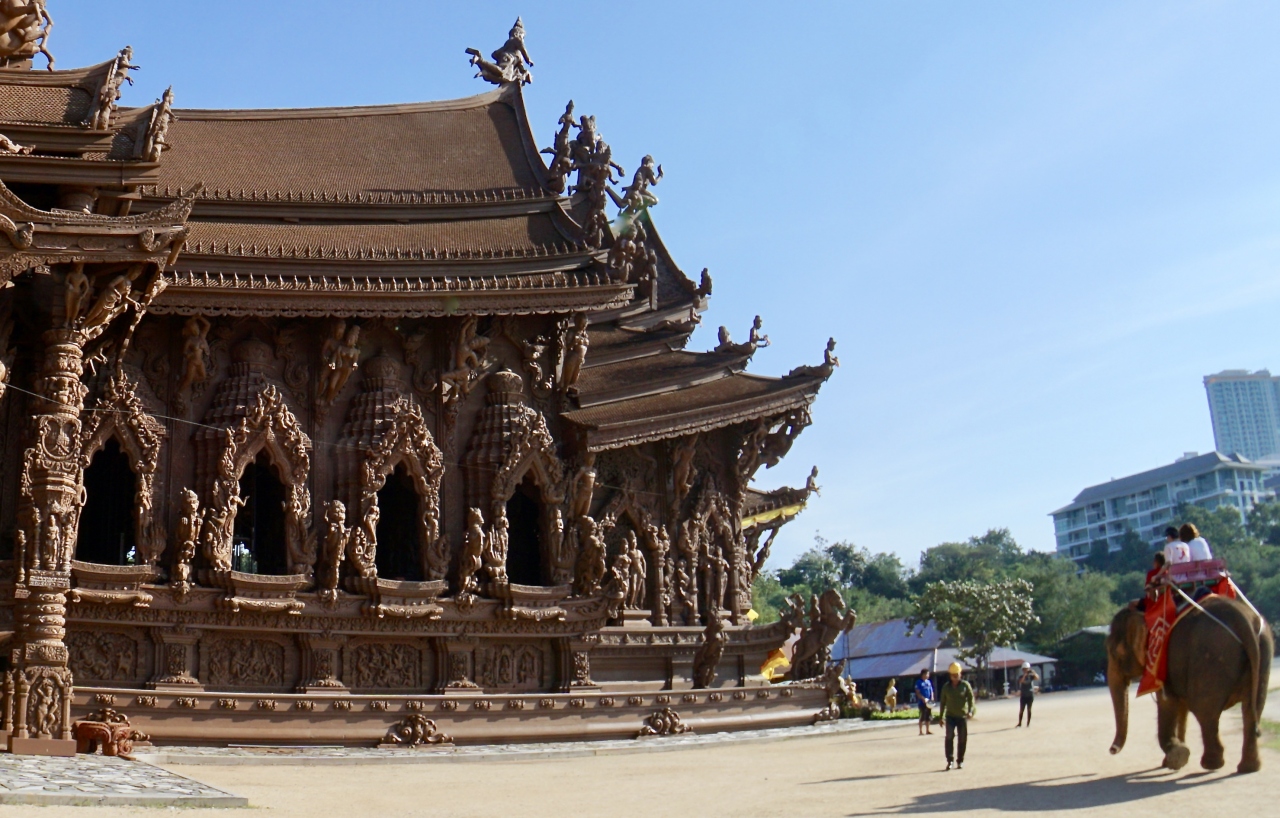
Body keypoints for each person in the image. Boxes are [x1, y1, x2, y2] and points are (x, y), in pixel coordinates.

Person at [937, 661, 975, 770]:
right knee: (949, 737)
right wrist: (941, 717)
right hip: (950, 717)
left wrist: (971, 711)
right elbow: (943, 703)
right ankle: (950, 761)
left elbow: (971, 699)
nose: (955, 677)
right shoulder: (946, 687)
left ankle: (960, 760)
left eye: (957, 675)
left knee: (962, 739)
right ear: (950, 676)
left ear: (960, 674)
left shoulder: (965, 686)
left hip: (962, 717)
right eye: (953, 675)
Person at [1015, 662, 1039, 727]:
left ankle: (1028, 723)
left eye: (1027, 669)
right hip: (1023, 695)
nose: (1026, 670)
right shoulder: (1021, 676)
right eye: (1024, 669)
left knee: (1029, 709)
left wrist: (1034, 673)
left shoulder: (1031, 676)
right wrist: (1025, 675)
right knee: (1021, 710)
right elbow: (1021, 681)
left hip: (1030, 695)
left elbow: (1037, 678)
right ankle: (1020, 723)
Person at [914, 669, 935, 736]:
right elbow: (917, 692)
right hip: (922, 702)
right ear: (923, 674)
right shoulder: (919, 682)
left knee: (928, 716)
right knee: (922, 716)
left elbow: (931, 691)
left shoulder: (928, 682)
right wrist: (923, 699)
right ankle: (920, 731)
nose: (928, 675)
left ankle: (927, 730)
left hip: (929, 702)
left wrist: (932, 697)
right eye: (927, 674)